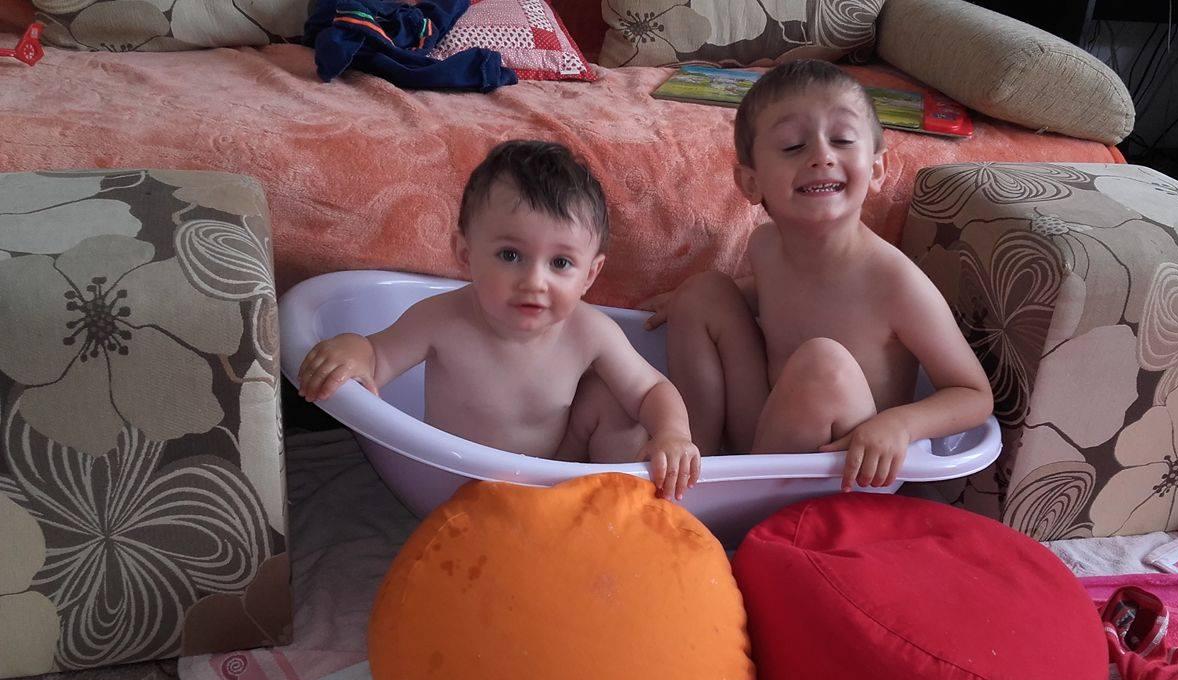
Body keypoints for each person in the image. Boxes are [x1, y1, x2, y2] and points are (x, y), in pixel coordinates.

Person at [642, 60, 992, 491]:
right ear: (750, 183)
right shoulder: (765, 247)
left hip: (837, 472)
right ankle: (692, 462)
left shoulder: (895, 282)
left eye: (842, 139)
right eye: (793, 145)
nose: (822, 156)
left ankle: (732, 497)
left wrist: (901, 424)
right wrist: (693, 304)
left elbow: (974, 395)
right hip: (767, 435)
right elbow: (782, 295)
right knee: (704, 291)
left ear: (877, 170)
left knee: (823, 364)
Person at [299, 140, 700, 499]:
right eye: (510, 255)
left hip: (554, 476)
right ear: (465, 252)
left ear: (589, 275)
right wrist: (352, 349)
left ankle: (619, 507)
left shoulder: (590, 332)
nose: (534, 281)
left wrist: (673, 434)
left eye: (561, 263)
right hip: (458, 482)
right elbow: (377, 356)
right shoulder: (441, 320)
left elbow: (650, 390)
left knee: (616, 404)